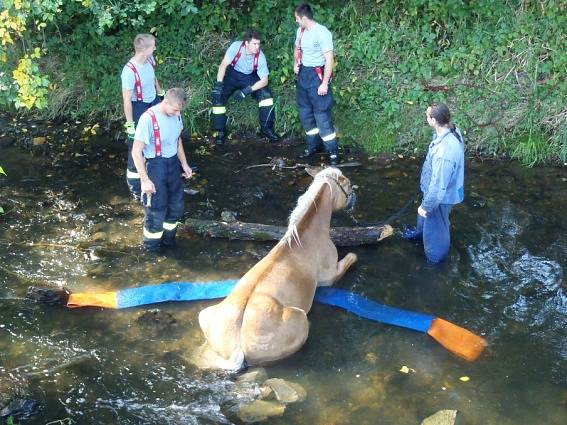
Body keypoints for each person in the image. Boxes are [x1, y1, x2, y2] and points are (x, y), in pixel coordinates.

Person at [131, 88, 193, 252]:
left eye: (179, 111)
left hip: (173, 166)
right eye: (174, 109)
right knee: (156, 212)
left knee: (176, 207)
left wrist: (185, 164)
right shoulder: (148, 119)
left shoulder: (176, 114)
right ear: (165, 102)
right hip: (155, 167)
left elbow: (177, 141)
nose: (176, 113)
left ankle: (169, 242)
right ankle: (151, 250)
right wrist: (145, 181)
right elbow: (136, 152)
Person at [403, 103, 465, 263]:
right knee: (424, 217)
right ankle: (419, 234)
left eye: (427, 116)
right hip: (435, 190)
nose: (426, 118)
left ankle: (435, 260)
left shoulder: (443, 153)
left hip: (441, 197)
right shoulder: (451, 130)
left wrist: (426, 207)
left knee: (437, 228)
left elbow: (438, 189)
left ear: (434, 120)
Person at [211, 29, 280, 145]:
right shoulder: (236, 47)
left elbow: (264, 80)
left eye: (258, 44)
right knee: (218, 97)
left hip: (248, 77)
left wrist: (247, 90)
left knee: (266, 96)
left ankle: (267, 130)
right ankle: (220, 131)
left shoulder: (260, 56)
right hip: (232, 74)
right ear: (247, 43)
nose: (257, 47)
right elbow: (223, 65)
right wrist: (219, 84)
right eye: (254, 44)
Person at [121, 33, 165, 200]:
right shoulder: (129, 72)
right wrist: (130, 124)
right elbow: (126, 101)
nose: (155, 48)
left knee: (155, 139)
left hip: (153, 102)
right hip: (138, 107)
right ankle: (135, 187)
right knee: (136, 147)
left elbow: (154, 79)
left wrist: (161, 94)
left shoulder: (150, 60)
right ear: (144, 49)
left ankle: (154, 176)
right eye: (153, 46)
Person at [293, 3, 338, 165]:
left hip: (317, 77)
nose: (296, 21)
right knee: (306, 114)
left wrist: (324, 83)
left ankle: (332, 152)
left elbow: (329, 59)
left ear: (304, 18)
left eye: (297, 19)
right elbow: (297, 48)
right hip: (304, 75)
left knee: (321, 116)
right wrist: (295, 63)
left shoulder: (322, 33)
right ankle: (313, 146)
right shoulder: (301, 31)